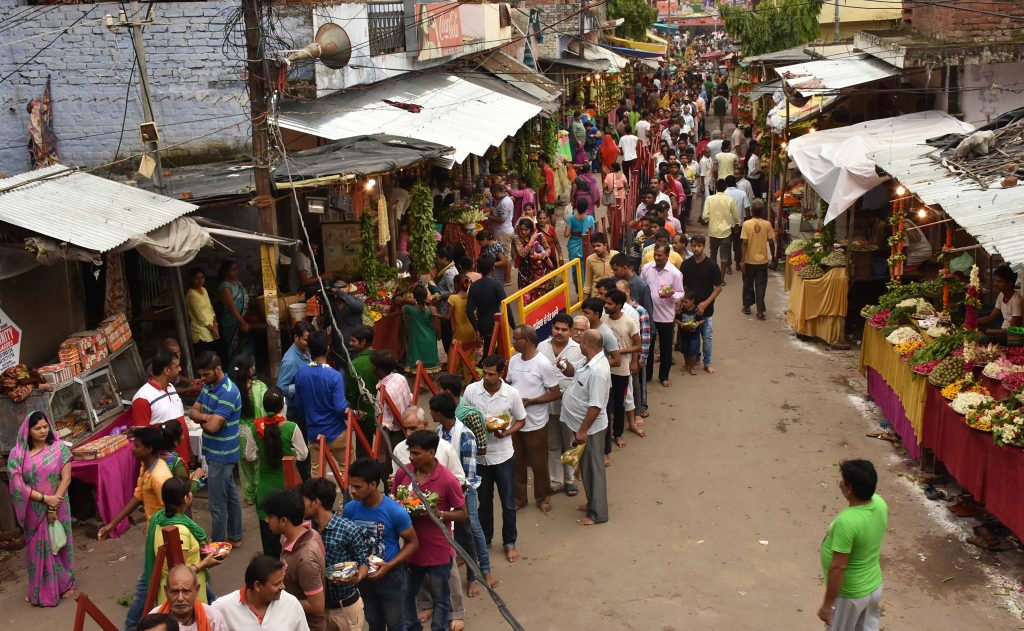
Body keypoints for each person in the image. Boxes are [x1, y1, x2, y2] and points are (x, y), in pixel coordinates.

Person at [99, 426, 173, 630]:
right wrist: (113, 524)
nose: (133, 449)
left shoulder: (159, 477)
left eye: (137, 446)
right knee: (158, 583)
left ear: (148, 449)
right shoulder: (146, 466)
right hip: (155, 536)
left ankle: (130, 627)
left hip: (163, 539)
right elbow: (139, 495)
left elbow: (173, 511)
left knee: (145, 586)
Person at [393, 431, 467, 631]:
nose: (411, 457)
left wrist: (439, 513)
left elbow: (462, 513)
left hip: (438, 551)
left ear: (431, 452)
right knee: (407, 596)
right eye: (410, 452)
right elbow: (394, 502)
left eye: (416, 453)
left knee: (441, 599)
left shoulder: (447, 480)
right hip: (410, 550)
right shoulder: (403, 473)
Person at [6, 411, 75, 607]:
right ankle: (39, 588)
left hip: (59, 503)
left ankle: (65, 584)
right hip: (33, 510)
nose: (43, 431)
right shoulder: (17, 455)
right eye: (37, 428)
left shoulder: (59, 448)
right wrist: (45, 499)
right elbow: (18, 486)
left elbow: (66, 478)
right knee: (37, 551)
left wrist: (55, 502)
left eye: (45, 426)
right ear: (28, 431)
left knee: (60, 545)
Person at [463, 355, 527, 563]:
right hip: (479, 459)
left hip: (503, 455)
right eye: (484, 373)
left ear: (501, 373)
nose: (487, 377)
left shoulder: (512, 394)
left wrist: (506, 432)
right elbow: (463, 416)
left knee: (508, 502)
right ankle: (486, 539)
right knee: (484, 502)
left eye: (491, 374)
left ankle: (510, 543)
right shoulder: (472, 390)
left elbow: (521, 420)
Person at [429, 391, 493, 596]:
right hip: (447, 491)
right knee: (453, 532)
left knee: (472, 528)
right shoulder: (439, 432)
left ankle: (484, 569)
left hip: (465, 492)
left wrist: (456, 496)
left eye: (432, 411)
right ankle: (465, 563)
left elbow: (469, 474)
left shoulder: (465, 435)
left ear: (438, 413)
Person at [343, 459, 419, 631]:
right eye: (351, 486)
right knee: (373, 621)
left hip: (391, 578)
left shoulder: (394, 511)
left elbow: (413, 543)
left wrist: (389, 565)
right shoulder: (350, 509)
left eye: (357, 486)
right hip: (363, 578)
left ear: (372, 485)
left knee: (395, 623)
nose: (352, 491)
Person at [818, 460, 888, 631]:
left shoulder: (847, 522)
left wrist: (827, 606)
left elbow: (838, 567)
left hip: (850, 596)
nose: (840, 483)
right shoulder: (879, 503)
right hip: (873, 586)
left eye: (843, 481)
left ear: (849, 489)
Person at [188, 351, 244, 545]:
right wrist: (206, 417)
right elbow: (193, 412)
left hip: (222, 452)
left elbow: (213, 426)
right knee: (230, 494)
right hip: (215, 451)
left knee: (217, 502)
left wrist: (204, 418)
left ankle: (217, 543)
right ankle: (235, 537)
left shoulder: (228, 391)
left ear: (218, 369)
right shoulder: (208, 387)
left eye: (206, 374)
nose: (202, 379)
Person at [299, 478, 369, 631]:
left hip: (346, 609)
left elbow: (364, 562)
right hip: (319, 610)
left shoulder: (348, 529)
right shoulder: (307, 530)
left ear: (315, 502)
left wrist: (357, 577)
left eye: (303, 501)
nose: (300, 506)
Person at [556, 329, 610, 526]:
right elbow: (573, 371)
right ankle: (592, 503)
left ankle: (598, 513)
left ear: (586, 344)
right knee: (585, 468)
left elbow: (596, 405)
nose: (577, 341)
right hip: (580, 424)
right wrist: (563, 365)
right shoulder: (588, 361)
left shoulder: (598, 371)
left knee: (593, 470)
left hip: (590, 429)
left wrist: (582, 430)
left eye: (581, 339)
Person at [247, 387, 309, 557]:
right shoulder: (291, 427)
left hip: (265, 490)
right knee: (295, 539)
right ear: (283, 405)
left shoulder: (256, 427)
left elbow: (250, 456)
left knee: (270, 546)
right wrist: (289, 454)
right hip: (288, 488)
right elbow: (303, 455)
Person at [505, 325, 560, 513]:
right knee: (517, 462)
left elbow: (555, 392)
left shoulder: (543, 363)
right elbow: (510, 384)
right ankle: (519, 498)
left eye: (515, 339)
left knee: (538, 463)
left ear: (526, 341)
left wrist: (533, 401)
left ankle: (543, 497)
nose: (513, 343)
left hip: (535, 423)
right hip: (514, 422)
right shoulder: (513, 361)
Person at [146, 477, 222, 607]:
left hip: (169, 592)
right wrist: (205, 563)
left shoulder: (159, 519)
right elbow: (180, 574)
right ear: (186, 498)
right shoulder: (180, 531)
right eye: (189, 492)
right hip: (186, 597)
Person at [263, 489, 326, 631]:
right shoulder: (306, 534)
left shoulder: (305, 559)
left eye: (270, 516)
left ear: (283, 520)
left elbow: (317, 606)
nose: (267, 520)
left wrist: (275, 599)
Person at [537, 314, 584, 496]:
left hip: (569, 406)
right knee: (552, 444)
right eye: (557, 328)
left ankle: (569, 479)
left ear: (571, 331)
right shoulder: (542, 347)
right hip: (547, 405)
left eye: (564, 330)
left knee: (570, 443)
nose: (560, 332)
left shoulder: (578, 349)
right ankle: (556, 481)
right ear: (552, 329)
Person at [294, 331, 349, 480]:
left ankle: (318, 503)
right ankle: (345, 502)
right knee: (346, 471)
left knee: (317, 474)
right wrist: (350, 413)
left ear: (309, 349)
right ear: (328, 348)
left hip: (314, 433)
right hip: (337, 432)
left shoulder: (301, 374)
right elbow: (340, 407)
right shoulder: (334, 376)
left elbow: (299, 403)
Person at [212, 555, 312, 630]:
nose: (283, 587)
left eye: (282, 581)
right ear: (258, 586)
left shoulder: (291, 603)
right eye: (276, 584)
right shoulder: (222, 608)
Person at [132, 348, 192, 464]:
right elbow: (143, 438)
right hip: (164, 465)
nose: (180, 369)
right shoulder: (142, 398)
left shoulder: (171, 387)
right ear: (166, 370)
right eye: (177, 366)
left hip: (182, 459)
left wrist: (188, 451)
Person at [601, 289, 641, 450]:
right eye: (605, 302)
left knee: (619, 405)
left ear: (618, 305)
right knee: (604, 405)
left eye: (609, 303)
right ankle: (605, 439)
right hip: (605, 369)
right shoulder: (603, 319)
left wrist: (619, 352)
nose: (606, 306)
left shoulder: (628, 322)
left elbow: (638, 345)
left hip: (621, 370)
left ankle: (617, 434)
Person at [641, 245, 685, 387]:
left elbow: (681, 292)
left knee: (666, 347)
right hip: (649, 315)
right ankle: (647, 375)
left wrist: (671, 294)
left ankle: (663, 376)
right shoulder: (647, 268)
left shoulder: (675, 273)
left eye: (660, 255)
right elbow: (642, 287)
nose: (657, 257)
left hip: (666, 315)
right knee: (648, 346)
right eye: (656, 254)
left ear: (667, 256)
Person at [679, 234, 723, 373]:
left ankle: (707, 362)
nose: (696, 248)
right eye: (694, 246)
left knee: (707, 336)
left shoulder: (711, 265)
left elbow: (719, 286)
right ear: (691, 246)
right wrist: (682, 303)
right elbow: (681, 286)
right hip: (689, 309)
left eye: (699, 246)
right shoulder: (686, 264)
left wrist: (706, 303)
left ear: (704, 247)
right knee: (691, 335)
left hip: (706, 309)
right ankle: (693, 359)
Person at [391, 407, 465, 486]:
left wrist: (436, 490)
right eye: (404, 429)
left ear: (425, 425)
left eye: (413, 428)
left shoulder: (446, 448)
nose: (408, 433)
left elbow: (460, 479)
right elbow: (397, 477)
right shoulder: (398, 450)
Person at [279, 321, 314, 480]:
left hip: (307, 408)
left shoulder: (305, 352)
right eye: (306, 339)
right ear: (296, 338)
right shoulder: (290, 361)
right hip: (296, 411)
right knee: (302, 450)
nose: (309, 342)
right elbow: (282, 387)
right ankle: (305, 482)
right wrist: (301, 385)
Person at [149, 565, 229, 631]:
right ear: (166, 591)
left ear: (197, 590)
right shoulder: (154, 620)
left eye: (186, 591)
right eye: (175, 591)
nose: (180, 598)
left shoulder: (213, 618)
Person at [233, 355, 266, 506]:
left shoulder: (233, 389)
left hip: (239, 432)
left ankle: (249, 496)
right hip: (255, 429)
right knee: (258, 464)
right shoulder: (258, 387)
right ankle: (260, 493)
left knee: (244, 466)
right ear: (250, 368)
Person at [372, 350, 413, 465]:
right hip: (405, 428)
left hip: (394, 436)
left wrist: (381, 453)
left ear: (378, 369)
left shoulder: (384, 392)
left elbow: (384, 426)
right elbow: (410, 399)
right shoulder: (400, 377)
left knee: (391, 472)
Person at [344, 326, 379, 457]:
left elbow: (351, 394)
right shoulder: (380, 357)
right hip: (382, 411)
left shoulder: (355, 364)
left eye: (353, 341)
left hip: (363, 413)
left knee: (363, 449)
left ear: (363, 342)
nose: (350, 344)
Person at [740, 199, 777, 321]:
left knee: (747, 284)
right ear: (763, 211)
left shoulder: (746, 224)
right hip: (762, 261)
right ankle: (760, 311)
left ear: (751, 211)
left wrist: (742, 260)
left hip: (749, 261)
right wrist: (773, 256)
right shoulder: (767, 224)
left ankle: (747, 306)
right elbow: (771, 242)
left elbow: (744, 243)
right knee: (761, 286)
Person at [465, 254, 507, 356]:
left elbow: (469, 311)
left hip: (482, 327)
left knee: (485, 354)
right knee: (498, 355)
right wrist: (514, 327)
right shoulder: (496, 285)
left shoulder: (474, 286)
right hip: (496, 326)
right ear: (493, 268)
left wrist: (477, 329)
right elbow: (507, 307)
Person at [218, 260, 253, 370]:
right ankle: (234, 373)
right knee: (234, 350)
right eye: (232, 270)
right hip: (231, 322)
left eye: (236, 269)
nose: (235, 272)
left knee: (244, 347)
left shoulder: (238, 282)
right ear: (225, 272)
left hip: (242, 320)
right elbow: (231, 307)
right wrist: (242, 322)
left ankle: (246, 370)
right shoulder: (225, 287)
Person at [702, 179, 740, 278]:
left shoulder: (709, 199)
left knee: (713, 253)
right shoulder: (729, 199)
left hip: (713, 231)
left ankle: (713, 276)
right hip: (726, 232)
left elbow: (705, 216)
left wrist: (708, 221)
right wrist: (736, 224)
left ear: (716, 187)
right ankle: (722, 278)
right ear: (725, 188)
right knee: (724, 255)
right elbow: (736, 216)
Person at [512, 218, 555, 305]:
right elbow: (522, 254)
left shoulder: (539, 236)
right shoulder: (517, 238)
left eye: (526, 230)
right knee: (527, 296)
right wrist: (531, 241)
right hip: (525, 271)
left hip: (540, 269)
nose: (523, 232)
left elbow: (548, 249)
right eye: (521, 230)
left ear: (531, 229)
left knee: (542, 293)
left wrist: (540, 256)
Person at [979, 265, 1023, 342]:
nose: (996, 284)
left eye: (1000, 281)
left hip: (1013, 336)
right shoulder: (1001, 295)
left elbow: (1013, 329)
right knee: (976, 327)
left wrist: (991, 331)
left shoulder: (1017, 300)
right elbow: (991, 317)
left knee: (983, 339)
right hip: (1002, 331)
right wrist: (971, 321)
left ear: (1009, 284)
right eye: (996, 281)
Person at [403, 284, 441, 373]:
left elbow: (397, 302)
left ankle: (421, 381)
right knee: (429, 363)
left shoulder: (408, 308)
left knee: (417, 362)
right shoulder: (431, 309)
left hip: (415, 338)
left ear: (414, 296)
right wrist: (438, 335)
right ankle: (428, 380)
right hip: (430, 338)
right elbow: (437, 325)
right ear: (426, 295)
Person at [185, 267, 219, 357]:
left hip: (211, 330)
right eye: (197, 278)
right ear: (191, 279)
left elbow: (210, 307)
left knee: (212, 357)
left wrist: (215, 324)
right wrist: (213, 330)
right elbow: (200, 317)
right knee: (204, 358)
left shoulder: (204, 290)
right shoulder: (192, 295)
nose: (200, 280)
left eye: (202, 277)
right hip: (201, 332)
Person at [445, 274, 480, 358]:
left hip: (460, 333)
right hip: (473, 330)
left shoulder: (453, 298)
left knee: (454, 357)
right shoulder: (472, 297)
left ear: (456, 284)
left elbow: (448, 317)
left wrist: (435, 314)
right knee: (468, 357)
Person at [487, 183, 515, 277]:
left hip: (503, 232)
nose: (492, 196)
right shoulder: (502, 200)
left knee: (506, 255)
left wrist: (488, 216)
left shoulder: (504, 202)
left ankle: (508, 278)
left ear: (497, 192)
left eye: (492, 194)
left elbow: (502, 220)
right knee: (505, 254)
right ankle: (506, 277)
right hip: (503, 231)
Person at [674, 293, 706, 376]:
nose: (684, 304)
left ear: (692, 301)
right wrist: (680, 323)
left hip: (694, 335)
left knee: (692, 351)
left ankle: (692, 367)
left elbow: (702, 320)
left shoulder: (697, 310)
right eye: (683, 302)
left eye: (686, 302)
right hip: (683, 334)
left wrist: (697, 323)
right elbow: (676, 319)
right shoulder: (681, 310)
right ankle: (686, 364)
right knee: (684, 350)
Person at [564, 199, 597, 274]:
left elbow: (566, 234)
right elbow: (593, 233)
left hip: (573, 246)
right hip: (586, 245)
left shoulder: (571, 218)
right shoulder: (590, 219)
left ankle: (578, 285)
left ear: (576, 207)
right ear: (587, 207)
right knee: (586, 268)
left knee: (576, 269)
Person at [583, 233, 617, 299]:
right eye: (593, 246)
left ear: (605, 245)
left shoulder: (615, 255)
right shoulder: (590, 260)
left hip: (612, 297)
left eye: (598, 245)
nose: (596, 248)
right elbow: (588, 282)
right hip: (596, 297)